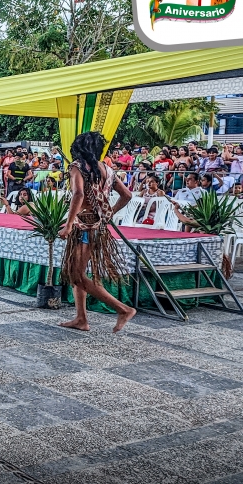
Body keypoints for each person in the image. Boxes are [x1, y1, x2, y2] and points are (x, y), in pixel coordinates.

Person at [58, 132, 136, 334]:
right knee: (78, 273)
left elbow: (78, 194)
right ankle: (81, 318)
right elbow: (126, 195)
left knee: (77, 275)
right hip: (97, 227)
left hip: (84, 228)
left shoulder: (77, 166)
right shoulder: (107, 170)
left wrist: (67, 225)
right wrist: (109, 214)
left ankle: (123, 309)